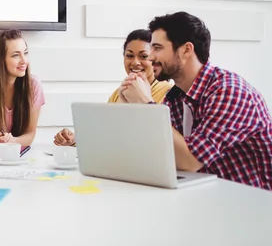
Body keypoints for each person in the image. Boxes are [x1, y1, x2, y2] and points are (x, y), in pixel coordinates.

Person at [119, 12, 272, 190]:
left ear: (186, 50)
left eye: (157, 48)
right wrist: (129, 107)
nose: (150, 56)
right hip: (208, 198)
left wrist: (145, 104)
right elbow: (158, 154)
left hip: (256, 206)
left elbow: (190, 160)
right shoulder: (176, 98)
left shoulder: (229, 91)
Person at [54, 29, 173, 146]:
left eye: (143, 56)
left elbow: (162, 139)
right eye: (129, 55)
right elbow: (104, 133)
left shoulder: (169, 92)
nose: (135, 62)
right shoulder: (121, 91)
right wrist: (74, 139)